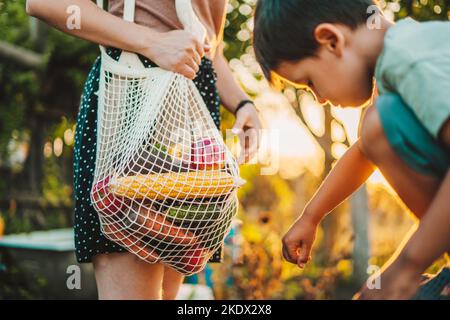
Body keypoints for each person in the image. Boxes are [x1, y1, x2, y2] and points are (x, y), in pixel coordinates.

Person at [26, 0, 261, 300]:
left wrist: (242, 103)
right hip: (132, 94)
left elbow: (208, 46)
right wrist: (154, 42)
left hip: (194, 106)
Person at [253, 0, 450, 299]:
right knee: (378, 125)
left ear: (331, 40)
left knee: (379, 123)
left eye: (310, 82)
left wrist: (406, 268)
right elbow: (364, 152)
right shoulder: (394, 66)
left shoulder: (411, 58)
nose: (318, 99)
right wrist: (310, 216)